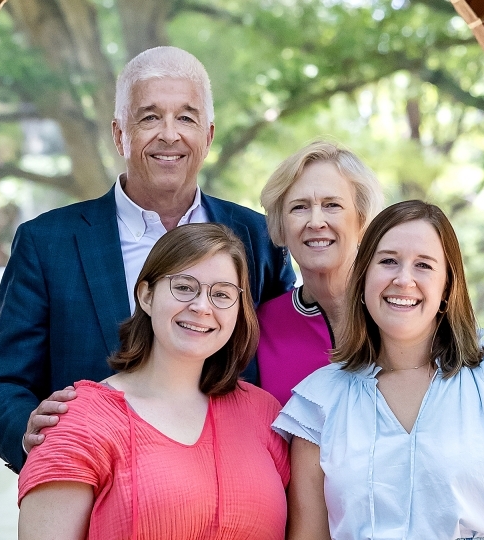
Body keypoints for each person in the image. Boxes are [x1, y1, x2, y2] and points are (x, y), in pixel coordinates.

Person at [0, 46, 295, 473]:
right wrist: (29, 432)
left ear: (209, 135)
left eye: (186, 117)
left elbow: (284, 361)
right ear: (119, 134)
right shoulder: (47, 243)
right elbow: (1, 386)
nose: (169, 134)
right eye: (149, 117)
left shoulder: (258, 238)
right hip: (96, 495)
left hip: (231, 488)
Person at [274, 200, 484, 540]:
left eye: (424, 266)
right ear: (363, 278)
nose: (403, 280)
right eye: (388, 261)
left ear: (447, 287)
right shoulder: (318, 403)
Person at [17, 223, 289, 540]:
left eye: (221, 294)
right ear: (146, 296)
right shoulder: (79, 420)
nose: (202, 307)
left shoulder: (264, 414)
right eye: (184, 287)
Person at [257, 140, 384, 404]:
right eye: (299, 207)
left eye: (332, 205)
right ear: (281, 227)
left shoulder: (397, 309)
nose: (315, 222)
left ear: (362, 220)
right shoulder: (260, 326)